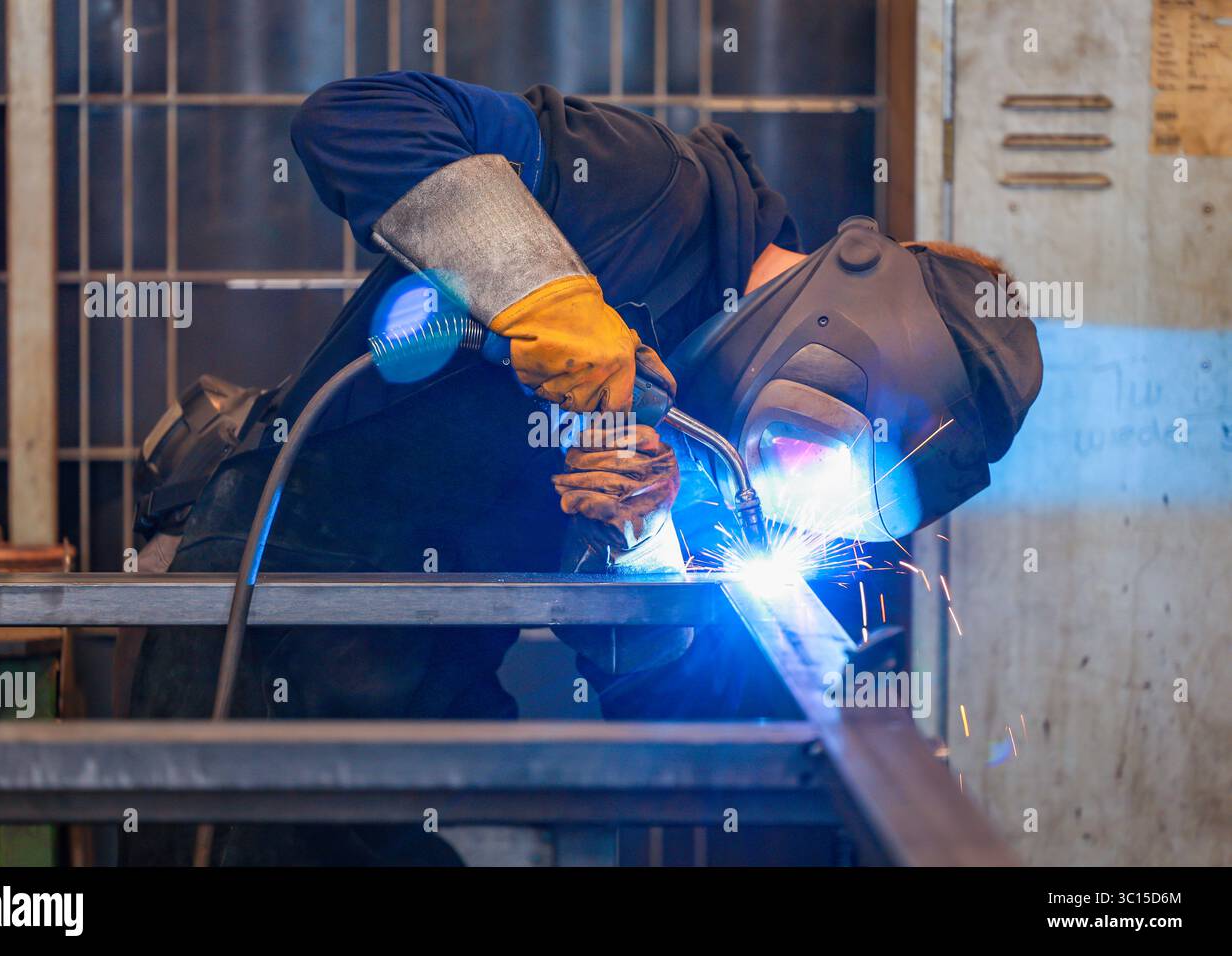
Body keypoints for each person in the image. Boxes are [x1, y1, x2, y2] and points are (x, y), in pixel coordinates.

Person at [126, 71, 1041, 865]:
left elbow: (674, 724)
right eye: (825, 459)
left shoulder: (720, 466)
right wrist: (541, 289)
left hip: (421, 686)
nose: (786, 490)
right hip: (256, 619)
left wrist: (635, 547)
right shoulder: (648, 192)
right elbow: (356, 118)